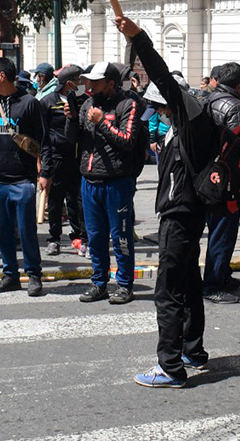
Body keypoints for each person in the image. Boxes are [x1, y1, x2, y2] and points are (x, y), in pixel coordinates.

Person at [112, 14, 217, 388]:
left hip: (181, 215)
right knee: (188, 285)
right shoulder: (179, 126)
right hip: (183, 213)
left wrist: (138, 38)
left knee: (168, 291)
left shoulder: (192, 120)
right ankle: (192, 350)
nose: (156, 109)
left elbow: (160, 75)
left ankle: (171, 366)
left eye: (160, 104)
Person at [0, 57, 51, 296]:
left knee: (26, 230)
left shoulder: (30, 103)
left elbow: (44, 139)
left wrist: (45, 172)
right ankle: (10, 275)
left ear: (1, 77)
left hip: (23, 179)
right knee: (1, 231)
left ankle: (33, 275)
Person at [73, 60, 142, 305]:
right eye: (88, 81)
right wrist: (72, 118)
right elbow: (77, 139)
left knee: (120, 236)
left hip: (117, 182)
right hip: (90, 181)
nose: (89, 86)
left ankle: (124, 285)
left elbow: (127, 140)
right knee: (95, 236)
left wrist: (102, 121)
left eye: (95, 81)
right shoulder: (88, 104)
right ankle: (99, 283)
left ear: (110, 83)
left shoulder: (128, 104)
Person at [202, 61, 240, 304]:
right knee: (223, 233)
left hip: (204, 176)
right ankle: (213, 283)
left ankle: (222, 274)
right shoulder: (235, 106)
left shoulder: (204, 100)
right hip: (226, 181)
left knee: (216, 231)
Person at [40, 64, 86, 257]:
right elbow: (42, 135)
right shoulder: (47, 102)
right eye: (79, 81)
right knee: (56, 200)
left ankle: (80, 236)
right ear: (69, 84)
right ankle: (54, 238)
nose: (83, 84)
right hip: (57, 158)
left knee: (78, 200)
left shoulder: (85, 102)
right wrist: (44, 164)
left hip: (79, 159)